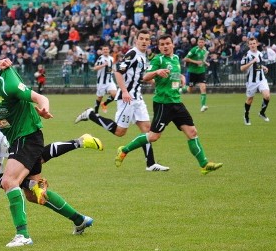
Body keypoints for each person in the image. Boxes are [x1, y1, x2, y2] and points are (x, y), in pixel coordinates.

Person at [0, 42, 96, 248]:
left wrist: (43, 108)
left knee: (9, 182)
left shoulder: (9, 87)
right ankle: (80, 220)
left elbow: (39, 96)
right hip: (19, 138)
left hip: (27, 137)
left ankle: (23, 235)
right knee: (33, 193)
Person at [115, 34, 222, 175]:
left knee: (192, 132)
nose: (165, 46)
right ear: (159, 47)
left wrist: (181, 77)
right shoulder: (157, 59)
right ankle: (124, 150)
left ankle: (204, 164)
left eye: (167, 43)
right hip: (163, 103)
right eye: (162, 44)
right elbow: (144, 77)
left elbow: (173, 75)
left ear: (173, 45)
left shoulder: (176, 58)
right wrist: (156, 72)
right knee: (153, 136)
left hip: (177, 103)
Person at [74, 29, 169, 172]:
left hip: (138, 97)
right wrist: (124, 91)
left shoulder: (143, 56)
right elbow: (118, 71)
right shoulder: (132, 54)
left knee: (147, 130)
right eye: (141, 38)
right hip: (128, 98)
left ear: (150, 41)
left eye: (147, 39)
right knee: (120, 132)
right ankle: (90, 114)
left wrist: (154, 81)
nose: (144, 41)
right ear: (136, 40)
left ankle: (150, 163)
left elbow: (139, 76)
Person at [240, 37, 271, 125]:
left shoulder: (260, 54)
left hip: (261, 79)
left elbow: (258, 65)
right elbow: (242, 68)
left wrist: (263, 67)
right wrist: (251, 62)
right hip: (251, 81)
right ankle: (246, 116)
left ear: (257, 44)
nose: (252, 45)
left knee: (267, 96)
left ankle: (262, 113)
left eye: (254, 43)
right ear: (248, 45)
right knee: (250, 99)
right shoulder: (247, 55)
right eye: (251, 44)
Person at [183, 36, 209, 112]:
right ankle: (181, 89)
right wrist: (195, 62)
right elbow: (185, 59)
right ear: (197, 43)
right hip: (192, 72)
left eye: (202, 42)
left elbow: (202, 60)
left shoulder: (205, 50)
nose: (201, 43)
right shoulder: (194, 49)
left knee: (203, 87)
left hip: (201, 71)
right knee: (190, 89)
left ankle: (203, 106)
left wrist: (206, 63)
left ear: (204, 43)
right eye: (200, 42)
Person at [91, 44, 117, 113]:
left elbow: (113, 69)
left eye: (106, 49)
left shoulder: (112, 59)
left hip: (110, 80)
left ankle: (104, 104)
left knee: (115, 94)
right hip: (101, 82)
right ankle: (96, 112)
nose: (105, 51)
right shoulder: (100, 59)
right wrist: (103, 65)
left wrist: (116, 72)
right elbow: (95, 68)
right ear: (102, 51)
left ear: (109, 50)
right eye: (104, 49)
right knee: (100, 97)